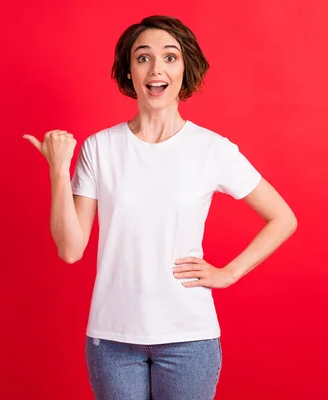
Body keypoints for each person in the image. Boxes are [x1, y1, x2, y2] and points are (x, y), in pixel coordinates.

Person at [23, 15, 297, 400]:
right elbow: (70, 249)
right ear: (129, 71)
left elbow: (283, 218)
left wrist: (230, 273)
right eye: (143, 58)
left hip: (190, 339)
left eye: (170, 57)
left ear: (186, 68)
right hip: (113, 340)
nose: (156, 69)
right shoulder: (100, 149)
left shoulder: (212, 150)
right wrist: (58, 168)